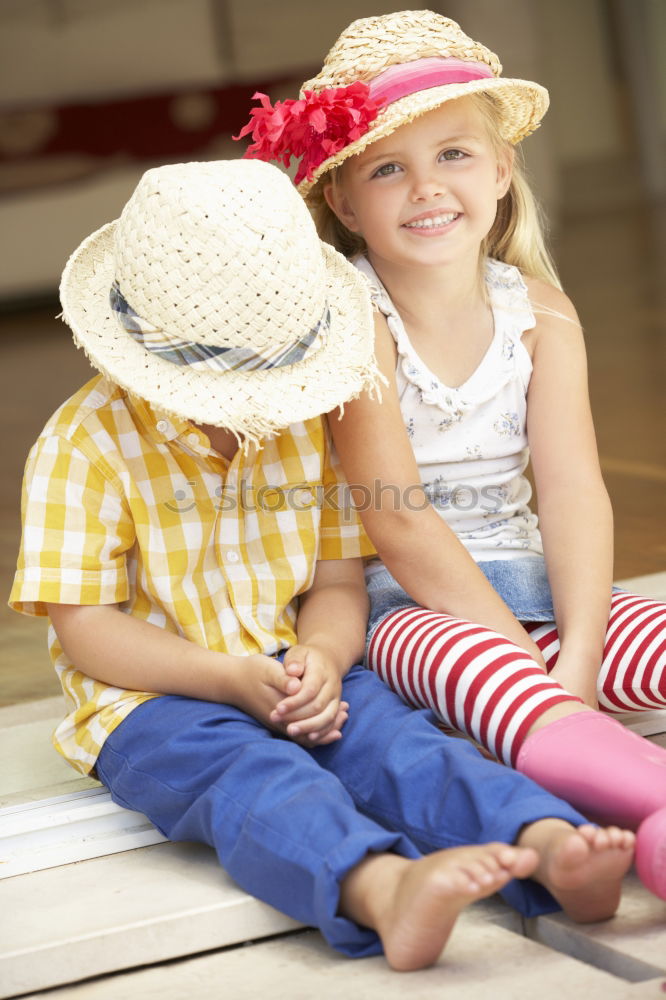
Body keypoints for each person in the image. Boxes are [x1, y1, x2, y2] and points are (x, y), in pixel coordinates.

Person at [8, 158, 638, 970]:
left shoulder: (303, 422)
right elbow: (86, 629)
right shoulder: (82, 444)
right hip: (152, 705)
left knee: (407, 748)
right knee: (260, 779)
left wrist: (326, 655)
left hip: (301, 670)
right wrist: (231, 680)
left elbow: (339, 582)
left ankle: (547, 841)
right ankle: (379, 889)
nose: (249, 411)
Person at [235, 9, 666, 901]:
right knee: (508, 688)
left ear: (504, 171)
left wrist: (579, 653)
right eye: (389, 169)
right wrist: (526, 661)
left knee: (637, 644)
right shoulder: (356, 323)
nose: (427, 188)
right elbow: (397, 519)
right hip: (414, 611)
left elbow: (573, 488)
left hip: (545, 589)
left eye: (454, 155)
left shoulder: (540, 310)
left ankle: (571, 729)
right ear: (346, 202)